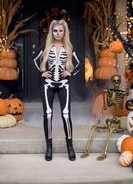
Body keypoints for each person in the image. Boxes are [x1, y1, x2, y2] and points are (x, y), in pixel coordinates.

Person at [33, 19, 81, 161]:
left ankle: (70, 147)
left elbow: (79, 63)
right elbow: (33, 59)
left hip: (63, 85)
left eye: (60, 30)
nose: (58, 33)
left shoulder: (69, 47)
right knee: (48, 115)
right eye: (55, 30)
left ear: (64, 32)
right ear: (51, 32)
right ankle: (49, 147)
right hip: (48, 84)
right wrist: (41, 72)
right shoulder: (46, 46)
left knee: (66, 115)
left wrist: (70, 73)